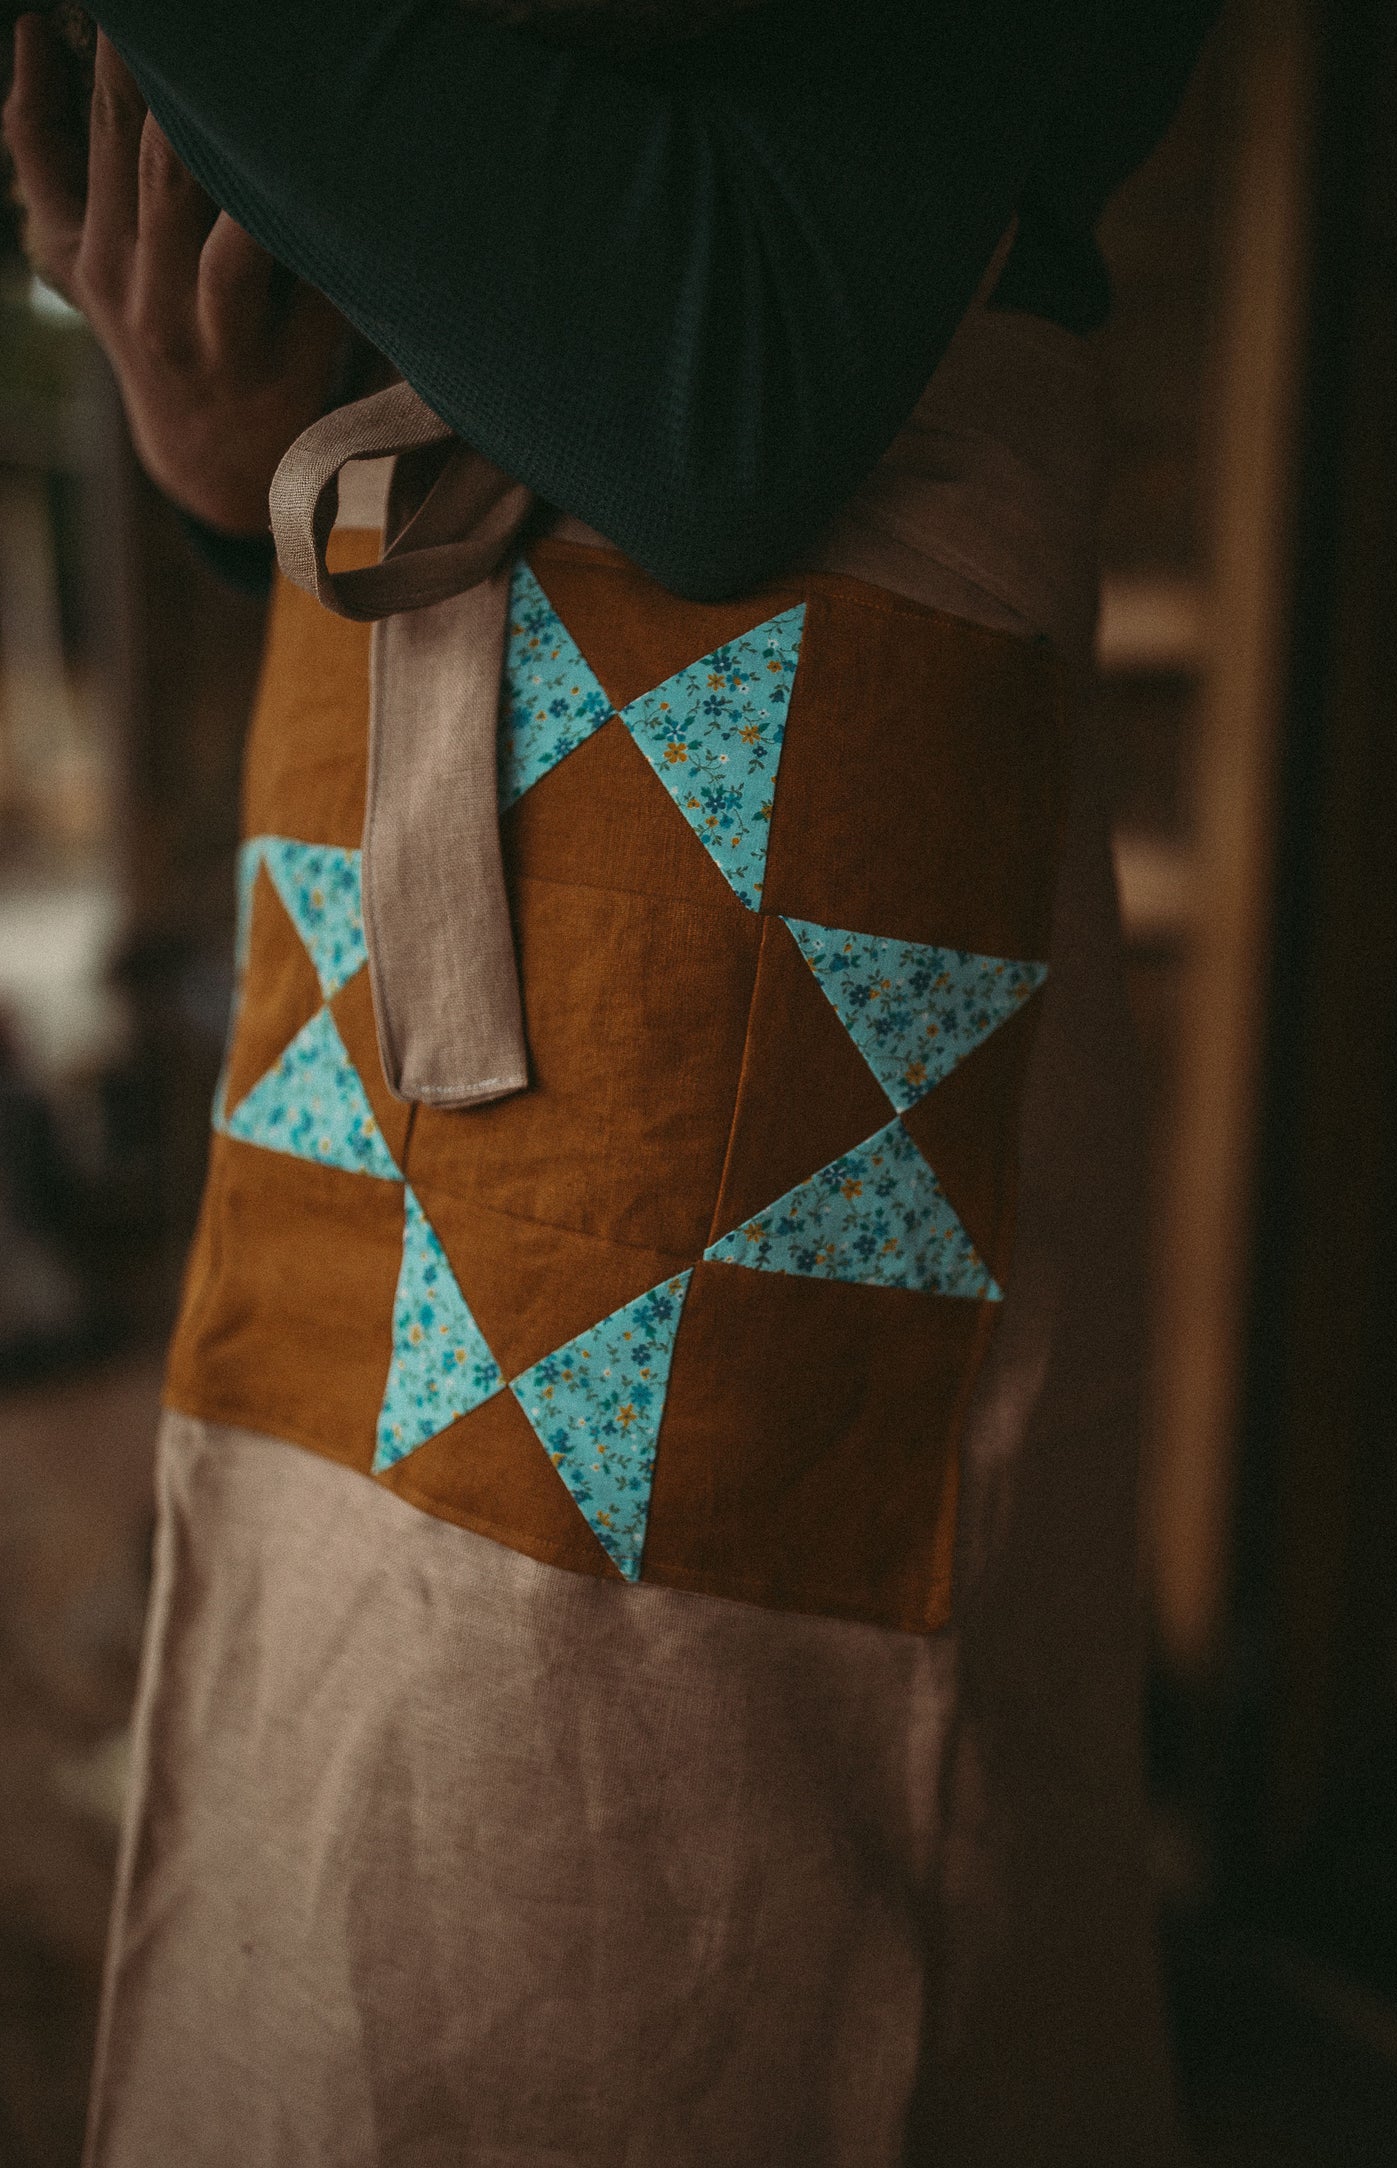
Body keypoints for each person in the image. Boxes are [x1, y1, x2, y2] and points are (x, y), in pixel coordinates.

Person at [5, 5, 1219, 2162]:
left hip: (774, 768)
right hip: (412, 685)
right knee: (343, 1816)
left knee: (676, 1929)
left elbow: (719, 392)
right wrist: (231, 448)